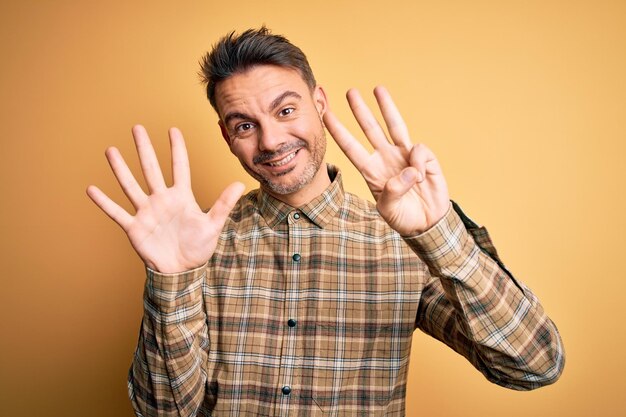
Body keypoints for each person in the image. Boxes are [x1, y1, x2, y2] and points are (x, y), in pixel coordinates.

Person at [87, 27, 564, 416]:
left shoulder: (403, 241)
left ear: (319, 103)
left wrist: (439, 235)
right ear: (226, 136)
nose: (271, 141)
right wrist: (171, 282)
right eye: (245, 125)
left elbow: (533, 366)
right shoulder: (199, 246)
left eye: (286, 110)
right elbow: (162, 413)